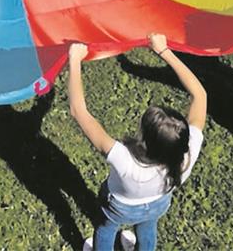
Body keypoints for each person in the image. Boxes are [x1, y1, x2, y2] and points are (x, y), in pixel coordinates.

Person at [67, 35, 207, 251]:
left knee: (106, 228)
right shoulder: (187, 155)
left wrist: (75, 60)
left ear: (145, 140)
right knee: (148, 226)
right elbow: (200, 95)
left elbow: (79, 111)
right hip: (158, 204)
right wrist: (163, 50)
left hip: (119, 207)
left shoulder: (125, 161)